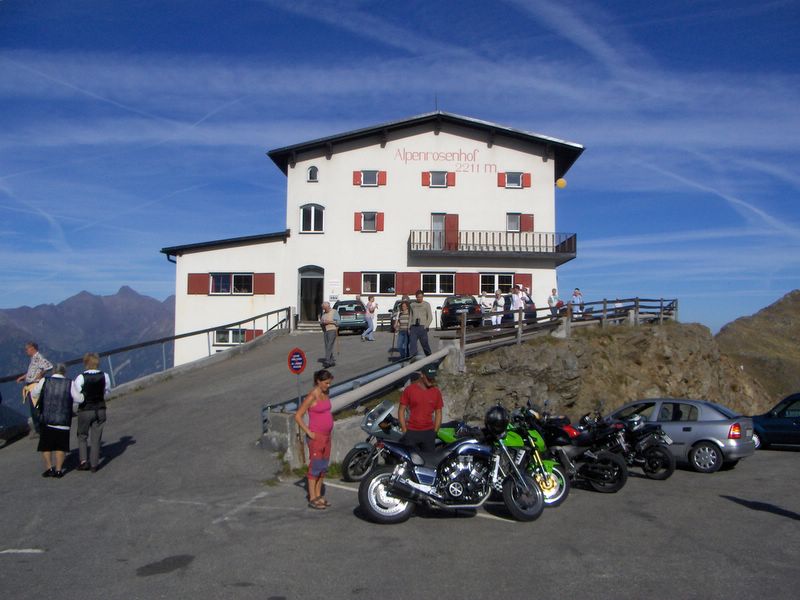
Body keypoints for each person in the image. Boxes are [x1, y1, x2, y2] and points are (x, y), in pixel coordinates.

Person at [294, 369, 334, 510]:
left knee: (323, 467)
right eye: (326, 383)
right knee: (315, 467)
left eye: (329, 383)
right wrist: (309, 433)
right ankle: (312, 497)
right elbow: (298, 415)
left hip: (327, 436)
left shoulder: (326, 393)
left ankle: (318, 495)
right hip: (316, 437)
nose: (328, 386)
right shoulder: (312, 396)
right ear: (318, 381)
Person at [71, 352, 111, 472]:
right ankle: (94, 464)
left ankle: (84, 461)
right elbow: (107, 392)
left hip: (85, 409)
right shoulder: (105, 376)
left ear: (86, 363)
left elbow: (77, 396)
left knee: (82, 435)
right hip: (100, 409)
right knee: (96, 438)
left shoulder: (81, 377)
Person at [30, 363, 73, 478]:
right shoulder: (70, 383)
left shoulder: (45, 381)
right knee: (60, 446)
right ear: (64, 372)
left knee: (46, 446)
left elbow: (34, 393)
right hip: (63, 420)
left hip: (47, 419)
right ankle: (59, 470)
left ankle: (49, 468)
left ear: (53, 371)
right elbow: (78, 398)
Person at [398, 364, 443, 453]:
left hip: (429, 433)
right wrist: (404, 429)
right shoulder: (410, 390)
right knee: (411, 459)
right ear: (422, 375)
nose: (431, 380)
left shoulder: (436, 392)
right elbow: (401, 410)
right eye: (429, 378)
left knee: (429, 460)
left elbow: (439, 412)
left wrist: (435, 431)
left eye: (432, 378)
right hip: (411, 432)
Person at [16, 342, 53, 436]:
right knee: (34, 409)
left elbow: (49, 366)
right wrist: (23, 377)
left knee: (36, 409)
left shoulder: (38, 358)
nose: (26, 351)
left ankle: (41, 429)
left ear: (32, 348)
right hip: (30, 385)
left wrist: (41, 374)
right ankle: (39, 429)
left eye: (27, 349)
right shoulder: (33, 359)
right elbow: (31, 372)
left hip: (34, 386)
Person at [408, 289, 433, 357]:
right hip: (413, 327)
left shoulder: (426, 304)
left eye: (421, 297)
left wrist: (426, 326)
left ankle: (429, 356)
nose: (419, 298)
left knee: (425, 344)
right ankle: (413, 358)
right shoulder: (412, 305)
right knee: (412, 344)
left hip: (422, 327)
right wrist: (409, 327)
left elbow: (430, 317)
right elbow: (410, 316)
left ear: (423, 296)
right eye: (418, 297)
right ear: (416, 297)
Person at [319, 301, 340, 368]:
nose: (324, 310)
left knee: (329, 345)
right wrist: (322, 322)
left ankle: (327, 361)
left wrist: (329, 322)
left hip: (332, 330)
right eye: (323, 308)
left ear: (328, 307)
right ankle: (331, 361)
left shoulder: (334, 312)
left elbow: (338, 322)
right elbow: (321, 322)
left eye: (325, 308)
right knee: (327, 346)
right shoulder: (324, 314)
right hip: (325, 331)